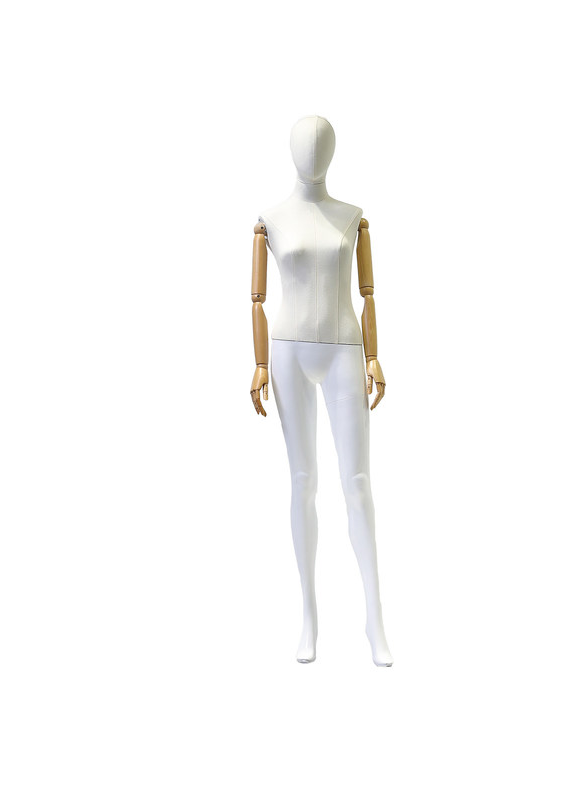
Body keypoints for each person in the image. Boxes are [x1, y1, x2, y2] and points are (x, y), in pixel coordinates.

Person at [250, 116, 393, 666]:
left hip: (343, 348)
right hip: (288, 351)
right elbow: (256, 299)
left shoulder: (352, 218)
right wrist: (259, 363)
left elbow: (369, 293)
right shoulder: (270, 220)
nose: (313, 152)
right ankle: (309, 616)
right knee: (302, 481)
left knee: (357, 483)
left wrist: (374, 356)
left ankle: (375, 618)